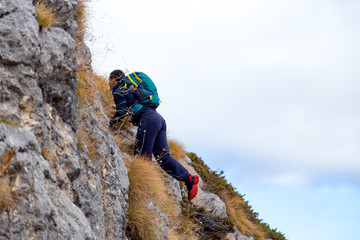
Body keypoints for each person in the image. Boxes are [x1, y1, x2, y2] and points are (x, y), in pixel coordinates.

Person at [108, 69, 199, 200]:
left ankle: (142, 194)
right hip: (158, 119)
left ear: (112, 79)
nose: (109, 84)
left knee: (142, 158)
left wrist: (108, 125)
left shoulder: (118, 89)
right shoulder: (130, 88)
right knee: (163, 157)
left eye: (109, 81)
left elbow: (121, 113)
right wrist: (119, 107)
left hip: (148, 121)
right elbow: (130, 106)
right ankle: (189, 179)